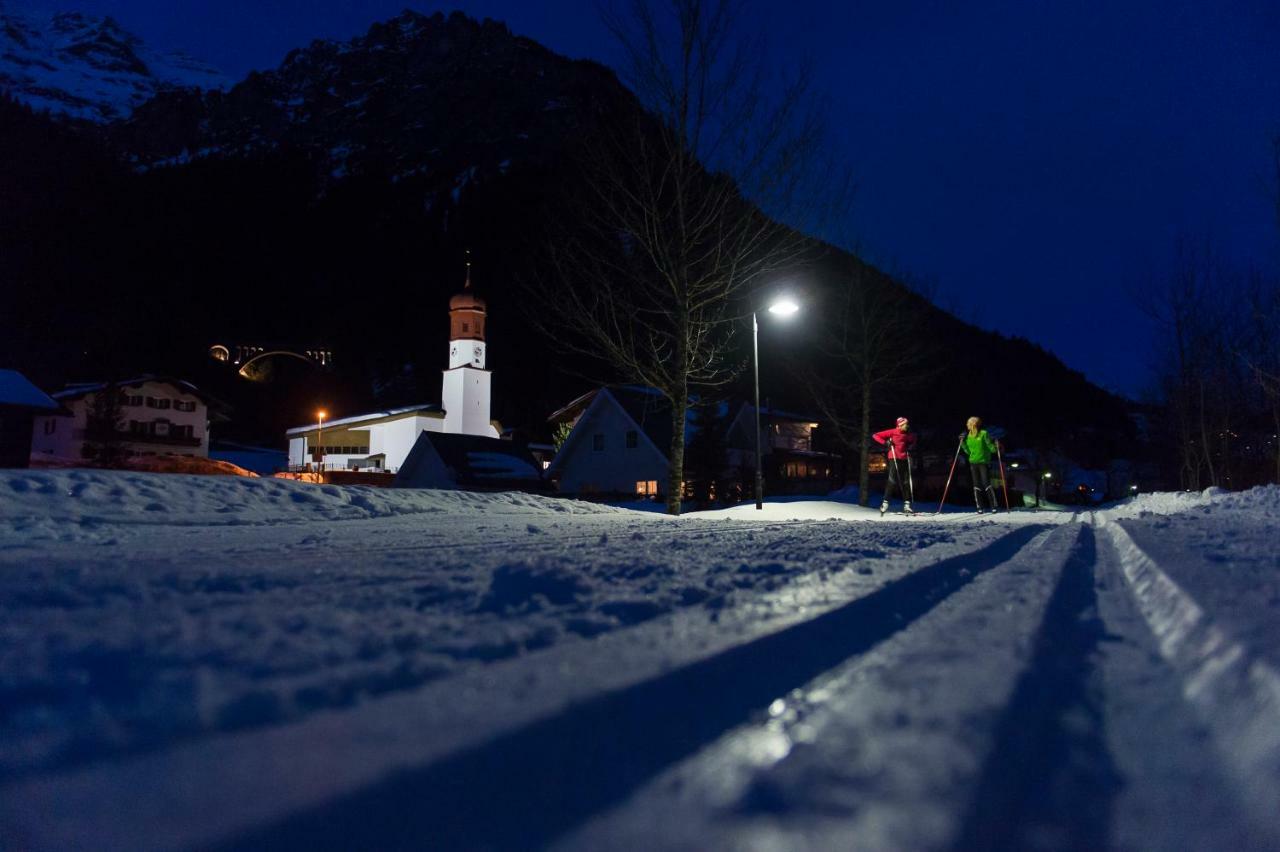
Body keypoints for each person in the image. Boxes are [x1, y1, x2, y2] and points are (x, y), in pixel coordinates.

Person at [873, 416, 918, 515]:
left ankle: (907, 505)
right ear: (900, 425)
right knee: (892, 480)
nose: (907, 426)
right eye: (905, 424)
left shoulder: (908, 434)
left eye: (907, 424)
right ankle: (885, 503)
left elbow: (914, 438)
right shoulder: (892, 432)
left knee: (906, 481)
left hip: (904, 458)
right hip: (893, 457)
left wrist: (910, 445)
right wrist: (886, 442)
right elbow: (875, 435)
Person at [961, 416, 999, 513]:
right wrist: (962, 443)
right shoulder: (969, 436)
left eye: (968, 423)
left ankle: (993, 505)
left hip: (983, 462)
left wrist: (995, 446)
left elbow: (991, 448)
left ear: (973, 424)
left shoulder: (983, 433)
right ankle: (979, 507)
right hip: (973, 462)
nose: (967, 425)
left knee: (986, 483)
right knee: (976, 485)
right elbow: (968, 451)